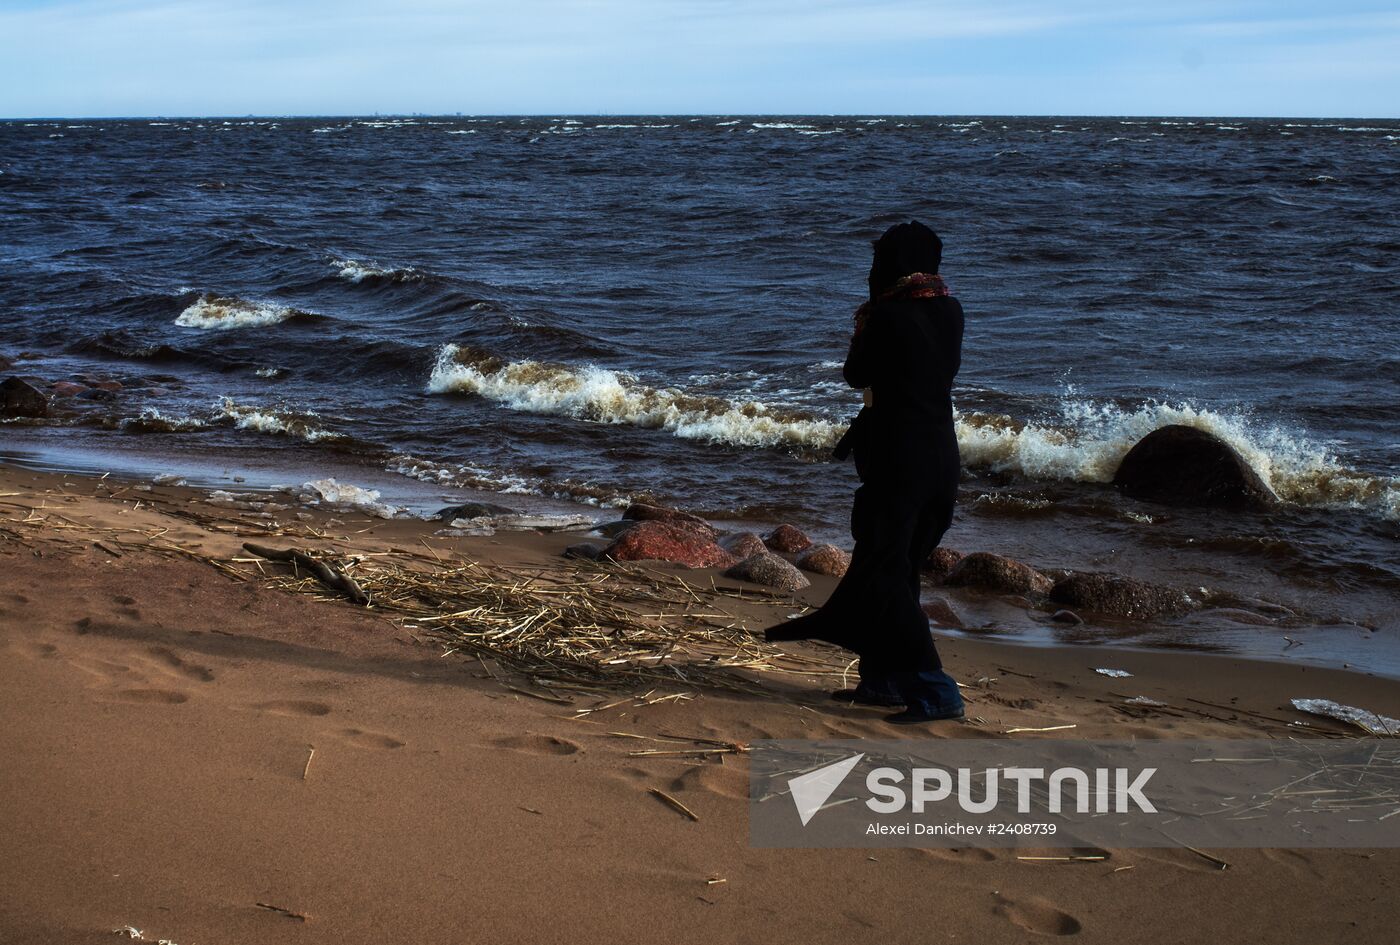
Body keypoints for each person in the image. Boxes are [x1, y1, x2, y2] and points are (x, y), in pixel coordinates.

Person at [766, 220, 965, 724]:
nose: (870, 271)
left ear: (891, 266)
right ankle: (882, 681)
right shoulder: (950, 309)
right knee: (898, 571)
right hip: (942, 457)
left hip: (900, 461)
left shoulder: (888, 315)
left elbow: (857, 374)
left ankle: (934, 687)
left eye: (877, 262)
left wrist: (869, 317)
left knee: (886, 575)